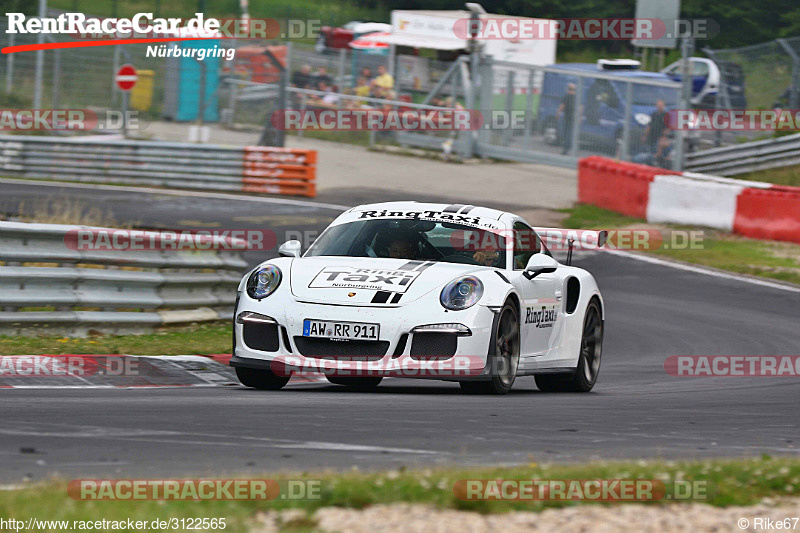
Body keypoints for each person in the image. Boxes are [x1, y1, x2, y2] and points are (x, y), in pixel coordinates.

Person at [556, 83, 576, 155]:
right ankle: (571, 148)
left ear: (568, 89)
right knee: (571, 133)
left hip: (567, 117)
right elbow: (581, 107)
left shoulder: (566, 96)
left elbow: (562, 106)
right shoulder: (576, 97)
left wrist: (558, 113)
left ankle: (565, 150)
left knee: (566, 133)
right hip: (574, 118)